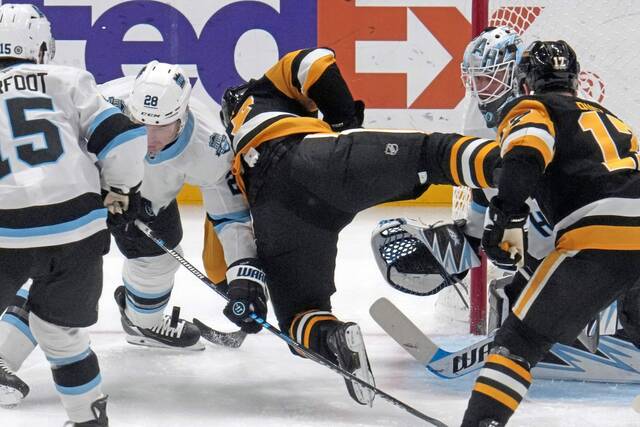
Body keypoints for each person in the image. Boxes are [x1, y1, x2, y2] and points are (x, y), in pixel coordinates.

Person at [218, 47, 501, 405]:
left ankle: (336, 339)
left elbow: (228, 233)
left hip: (276, 210)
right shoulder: (261, 92)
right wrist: (344, 122)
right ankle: (513, 168)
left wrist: (244, 291)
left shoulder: (229, 162)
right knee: (432, 154)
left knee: (300, 318)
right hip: (313, 161)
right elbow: (315, 61)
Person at [461, 40, 640, 426]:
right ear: (575, 81)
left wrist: (507, 216)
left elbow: (526, 152)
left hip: (599, 235)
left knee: (519, 342)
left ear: (525, 82)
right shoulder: (613, 118)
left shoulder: (532, 107)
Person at [0, 3, 147, 426]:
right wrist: (121, 193)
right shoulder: (66, 79)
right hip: (76, 230)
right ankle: (87, 418)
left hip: (3, 234)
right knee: (61, 337)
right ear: (41, 46)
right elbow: (122, 140)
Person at [99, 61, 257, 351]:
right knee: (61, 257)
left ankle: (142, 324)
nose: (149, 138)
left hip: (151, 200)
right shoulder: (103, 103)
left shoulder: (210, 145)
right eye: (140, 123)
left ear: (181, 117)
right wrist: (99, 194)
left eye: (160, 126)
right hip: (93, 186)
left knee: (162, 256)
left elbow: (230, 217)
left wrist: (244, 274)